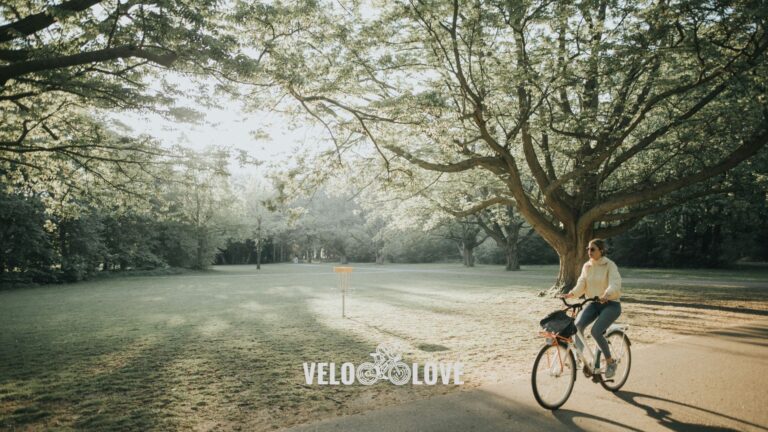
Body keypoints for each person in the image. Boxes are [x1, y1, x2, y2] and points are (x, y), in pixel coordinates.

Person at [563, 238, 622, 378]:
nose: (589, 251)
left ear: (601, 250)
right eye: (588, 249)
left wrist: (606, 294)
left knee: (596, 331)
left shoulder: (610, 265)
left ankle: (610, 362)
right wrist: (571, 293)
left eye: (592, 249)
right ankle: (579, 358)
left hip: (611, 305)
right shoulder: (587, 266)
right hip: (593, 303)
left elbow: (615, 283)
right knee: (577, 326)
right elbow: (581, 283)